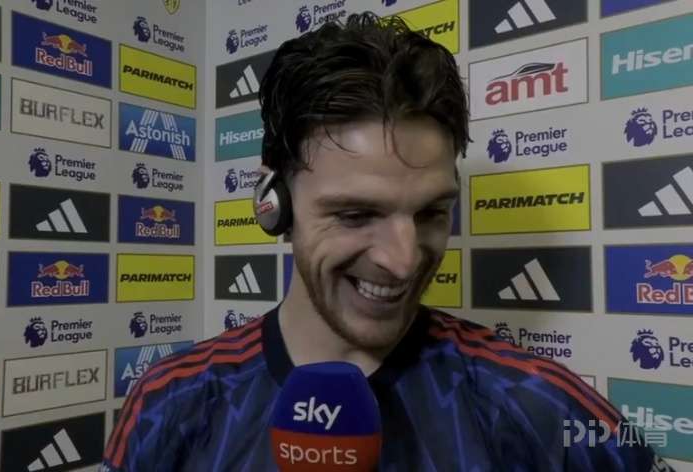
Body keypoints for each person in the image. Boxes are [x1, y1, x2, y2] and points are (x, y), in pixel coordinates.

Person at [101, 12, 673, 471]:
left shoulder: (535, 402)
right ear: (273, 203)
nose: (403, 261)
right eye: (355, 214)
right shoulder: (171, 401)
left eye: (431, 212)